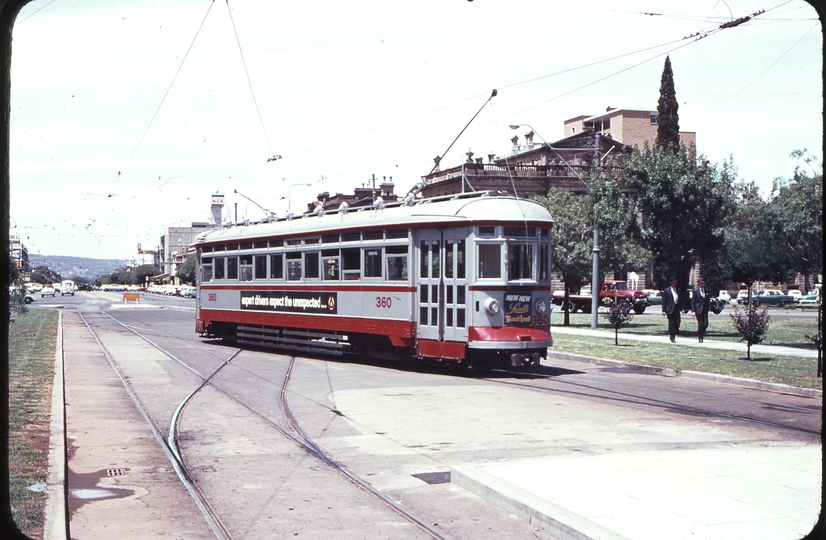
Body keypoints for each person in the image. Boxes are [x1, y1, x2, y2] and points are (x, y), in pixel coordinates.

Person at [661, 276, 684, 343]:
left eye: (675, 282)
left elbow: (680, 300)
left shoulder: (678, 290)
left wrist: (682, 309)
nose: (674, 284)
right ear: (670, 283)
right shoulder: (666, 291)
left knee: (677, 321)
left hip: (676, 308)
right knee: (672, 323)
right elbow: (664, 301)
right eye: (673, 282)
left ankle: (675, 330)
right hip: (669, 309)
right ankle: (672, 337)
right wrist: (664, 310)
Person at [691, 277, 711, 343]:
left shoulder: (706, 290)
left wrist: (709, 310)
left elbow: (708, 301)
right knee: (701, 323)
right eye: (701, 283)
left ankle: (701, 332)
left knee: (706, 323)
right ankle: (700, 337)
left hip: (705, 310)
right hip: (698, 309)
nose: (702, 284)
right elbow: (693, 301)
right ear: (699, 284)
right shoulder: (695, 291)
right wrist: (693, 311)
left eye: (703, 283)